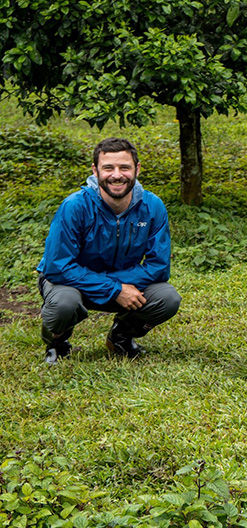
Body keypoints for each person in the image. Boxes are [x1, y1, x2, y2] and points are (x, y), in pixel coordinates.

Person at [37, 137, 181, 364]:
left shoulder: (153, 207)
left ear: (137, 169)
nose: (117, 175)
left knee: (167, 297)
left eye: (124, 167)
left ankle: (121, 336)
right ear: (95, 171)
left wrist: (118, 286)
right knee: (64, 303)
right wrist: (113, 288)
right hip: (72, 284)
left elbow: (159, 267)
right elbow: (57, 267)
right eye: (108, 168)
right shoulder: (75, 206)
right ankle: (57, 343)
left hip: (125, 281)